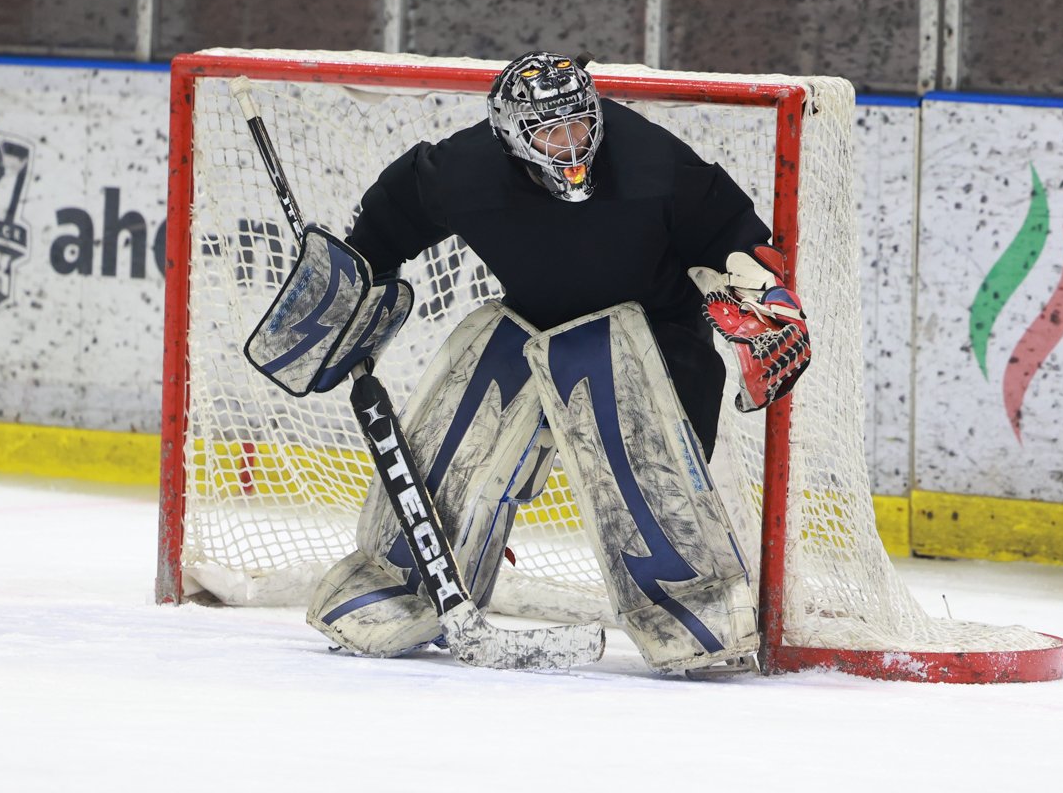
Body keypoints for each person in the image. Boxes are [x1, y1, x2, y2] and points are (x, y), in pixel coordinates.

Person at [250, 51, 811, 675]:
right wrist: (354, 281)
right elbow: (393, 214)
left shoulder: (653, 162)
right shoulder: (466, 171)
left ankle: (693, 602)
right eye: (550, 132)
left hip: (655, 334)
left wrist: (757, 294)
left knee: (642, 455)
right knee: (465, 412)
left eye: (580, 125)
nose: (572, 145)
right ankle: (404, 581)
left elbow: (732, 234)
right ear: (512, 135)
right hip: (533, 323)